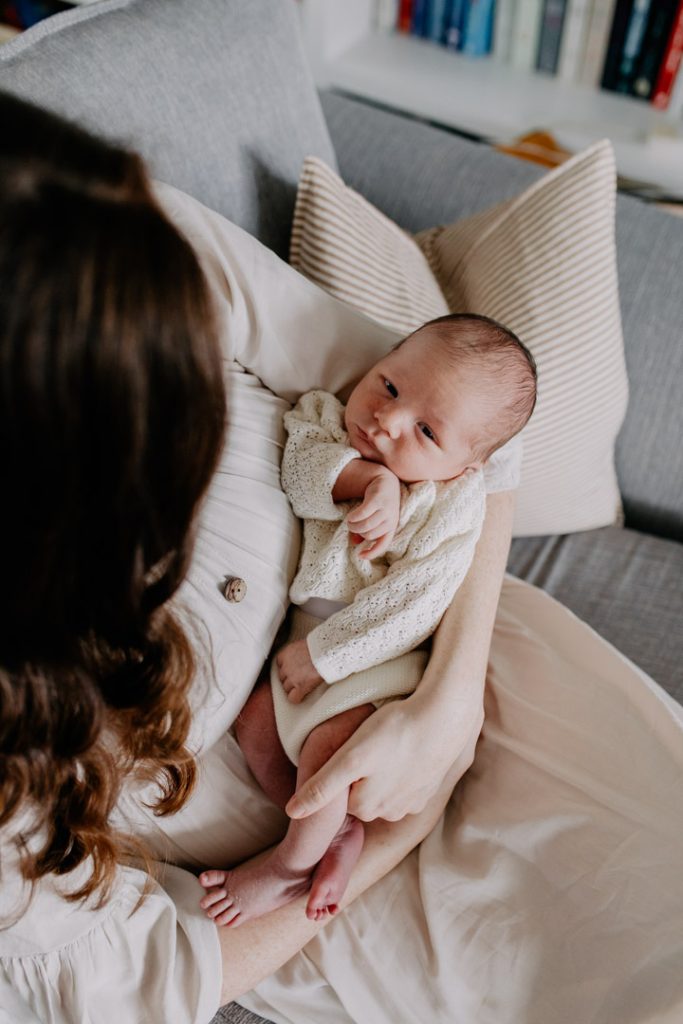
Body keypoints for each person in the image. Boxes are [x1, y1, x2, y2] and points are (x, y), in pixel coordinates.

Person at [0, 92, 520, 1020]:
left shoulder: (68, 223)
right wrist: (397, 834)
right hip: (319, 802)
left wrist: (448, 695)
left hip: (438, 655)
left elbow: (479, 426)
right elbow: (136, 986)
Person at [199, 314, 536, 925]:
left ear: (465, 468)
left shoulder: (451, 506)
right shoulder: (326, 419)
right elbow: (299, 475)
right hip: (304, 641)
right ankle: (334, 837)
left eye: (426, 431)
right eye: (389, 385)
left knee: (328, 751)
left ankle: (287, 869)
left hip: (375, 657)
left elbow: (414, 604)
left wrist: (326, 656)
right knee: (254, 728)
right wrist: (366, 479)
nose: (388, 420)